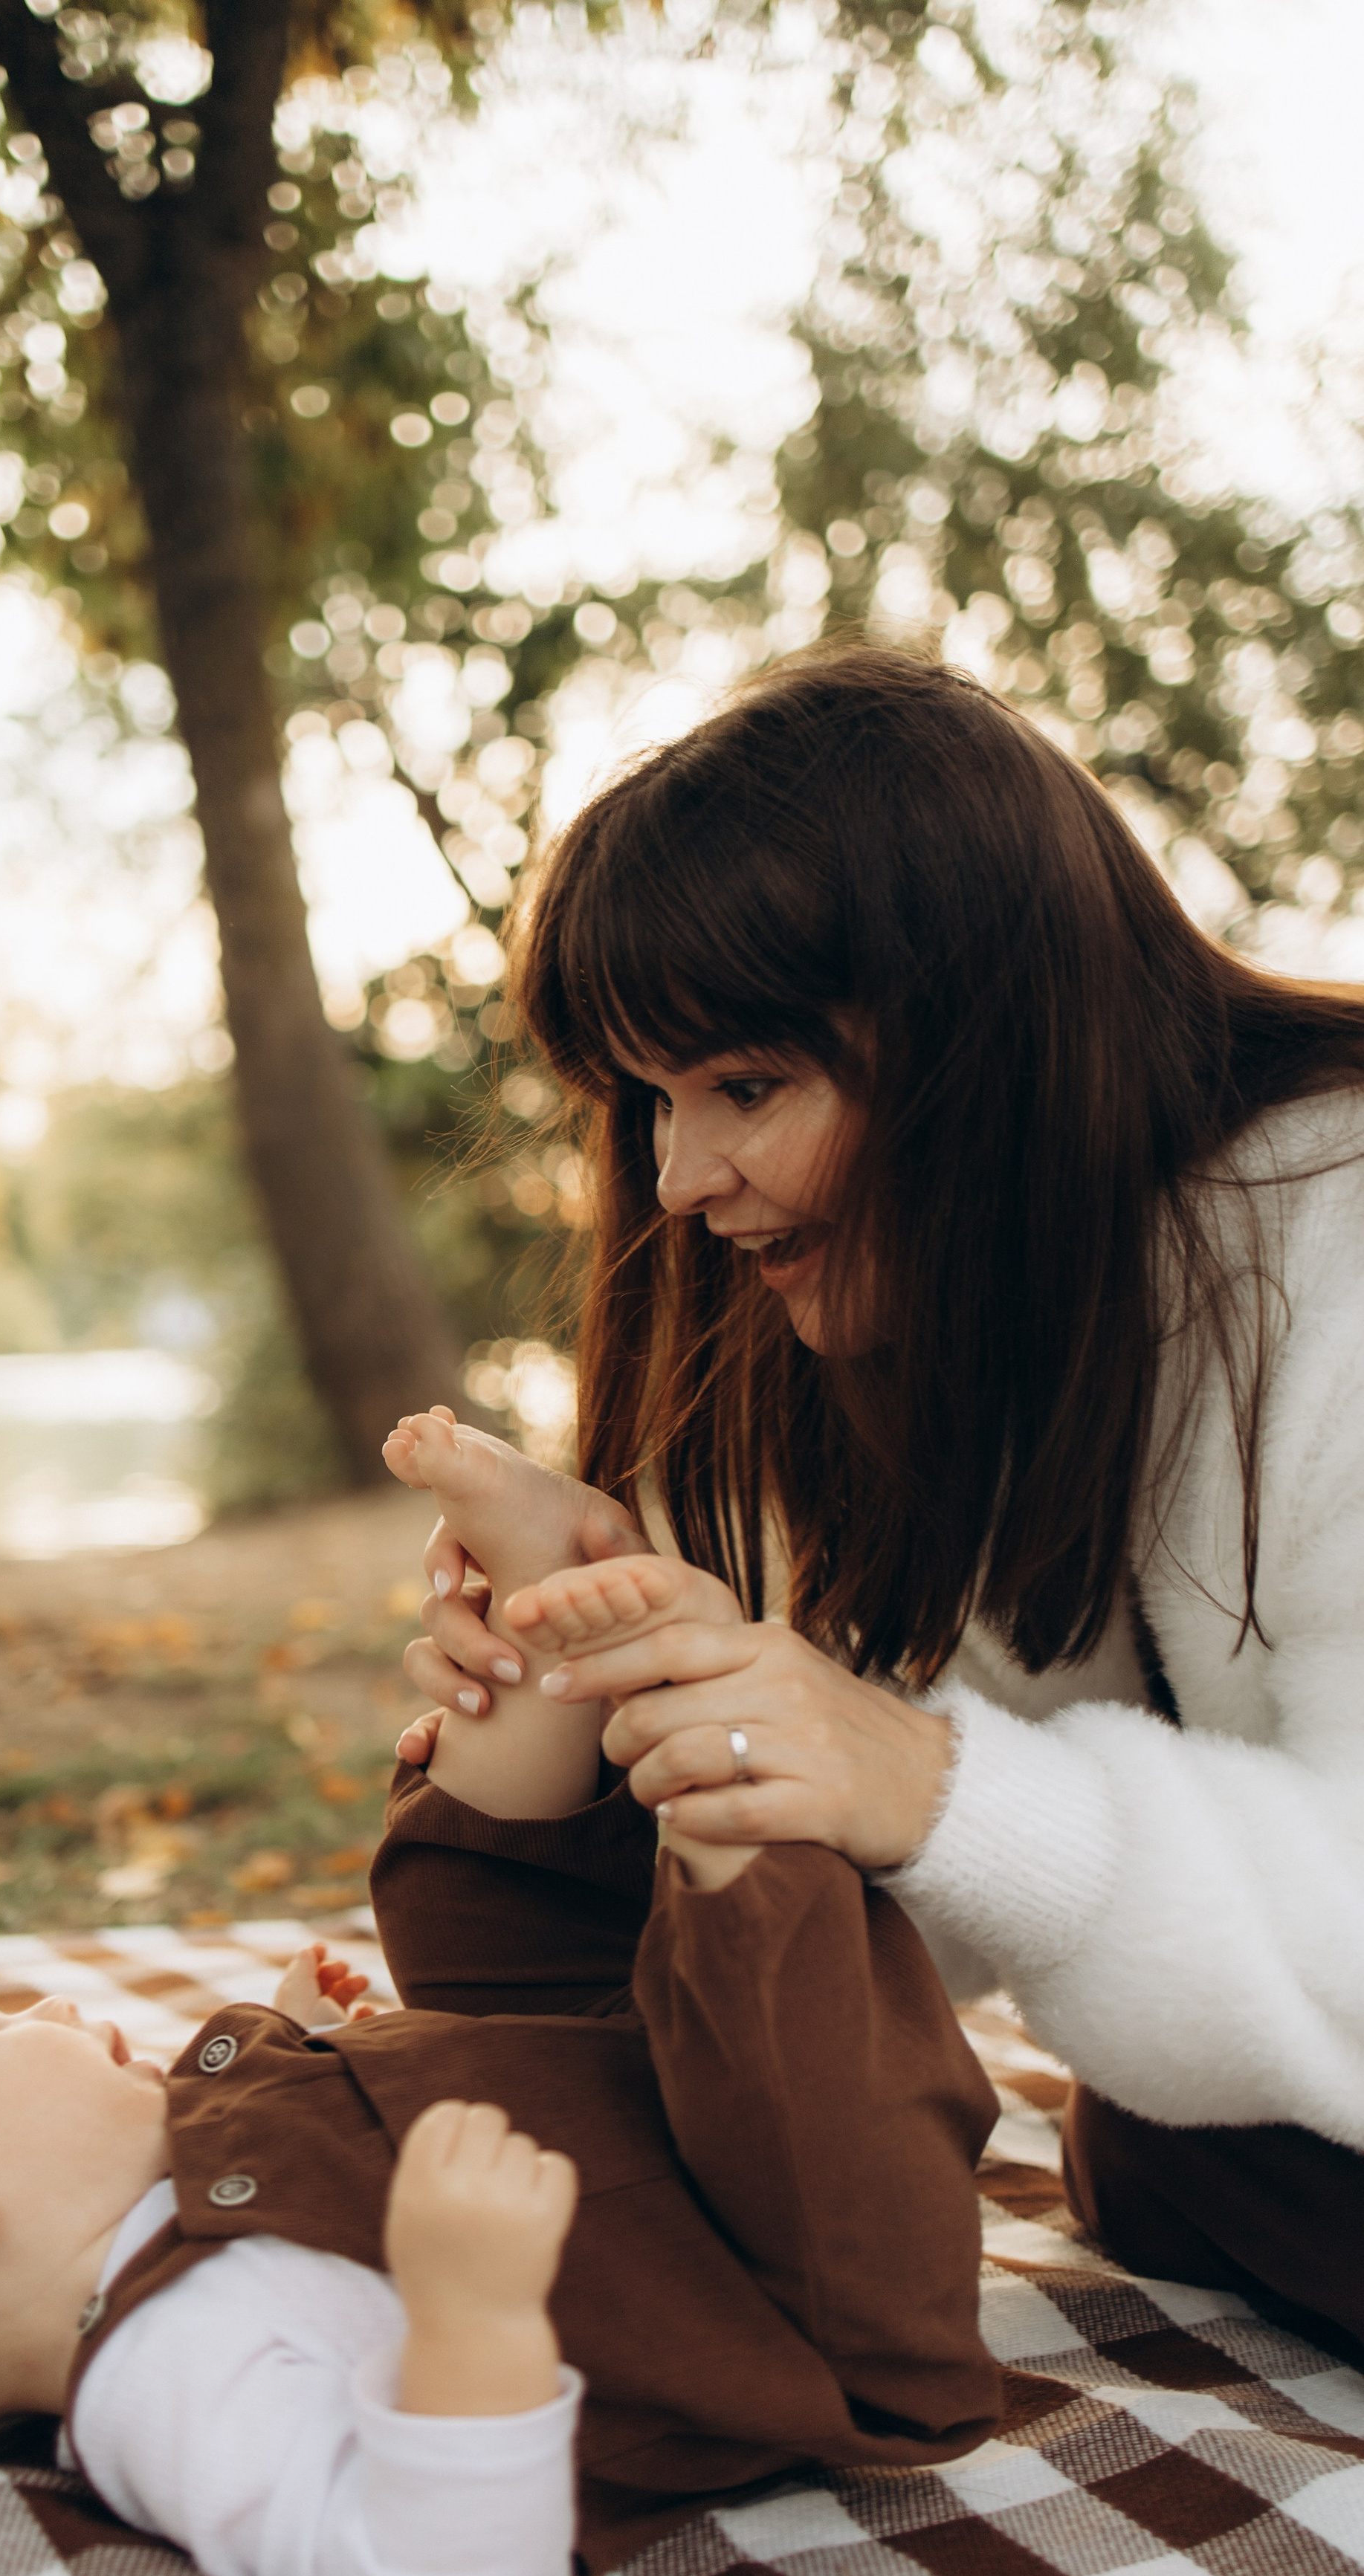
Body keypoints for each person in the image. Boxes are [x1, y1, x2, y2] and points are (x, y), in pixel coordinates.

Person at [0, 1412, 1001, 2576]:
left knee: (451, 1919)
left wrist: (297, 2038)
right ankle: (716, 1790)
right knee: (765, 2012)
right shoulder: (167, 2396)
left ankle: (541, 1636)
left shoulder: (144, 2193)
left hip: (621, 2092)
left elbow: (289, 2192)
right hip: (797, 2272)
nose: (41, 2007)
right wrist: (469, 2313)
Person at [398, 642, 1364, 2364]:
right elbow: (783, 2010)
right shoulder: (918, 1314)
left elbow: (959, 1826)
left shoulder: (1336, 1245)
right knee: (1162, 2151)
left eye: (746, 1087)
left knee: (1172, 2146)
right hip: (1249, 2154)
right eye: (654, 1104)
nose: (684, 1182)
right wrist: (597, 1678)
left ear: (978, 1037)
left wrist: (922, 1776)